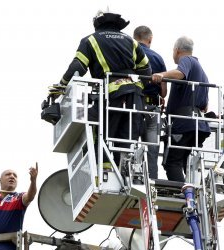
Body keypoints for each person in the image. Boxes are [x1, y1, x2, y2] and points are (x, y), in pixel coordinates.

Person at [53, 10, 151, 168]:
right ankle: (122, 171)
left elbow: (78, 66)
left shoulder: (90, 40)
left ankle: (102, 171)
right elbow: (146, 71)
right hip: (135, 97)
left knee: (100, 132)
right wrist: (135, 88)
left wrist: (62, 84)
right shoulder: (131, 41)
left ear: (97, 24)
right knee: (125, 140)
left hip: (110, 96)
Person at [151, 36, 211, 183]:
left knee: (172, 162)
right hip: (197, 125)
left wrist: (161, 75)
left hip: (183, 123)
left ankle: (184, 195)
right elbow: (205, 106)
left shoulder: (187, 60)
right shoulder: (203, 74)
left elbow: (180, 73)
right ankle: (193, 193)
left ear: (177, 50)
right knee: (185, 162)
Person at [133, 26, 167, 179]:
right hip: (152, 109)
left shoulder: (129, 53)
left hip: (132, 106)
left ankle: (130, 177)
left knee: (129, 145)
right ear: (150, 39)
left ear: (134, 38)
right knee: (152, 151)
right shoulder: (158, 58)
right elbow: (164, 92)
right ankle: (152, 181)